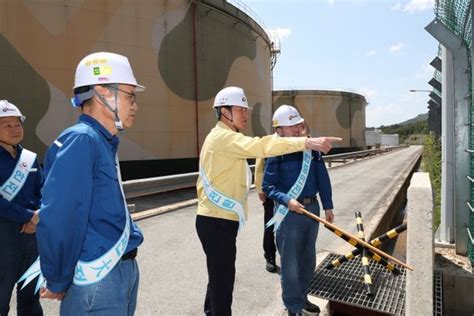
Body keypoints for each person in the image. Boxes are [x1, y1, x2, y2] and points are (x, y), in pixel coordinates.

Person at [195, 87, 341, 315]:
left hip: (217, 219)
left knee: (218, 277)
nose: (245, 115)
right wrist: (306, 143)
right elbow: (260, 147)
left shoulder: (222, 138)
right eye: (240, 110)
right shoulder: (223, 138)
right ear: (224, 111)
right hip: (216, 221)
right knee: (223, 282)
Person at [35, 52, 145, 315]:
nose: (135, 105)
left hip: (121, 270)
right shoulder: (81, 140)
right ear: (103, 93)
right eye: (130, 96)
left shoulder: (101, 141)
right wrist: (58, 276)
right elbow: (61, 215)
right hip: (99, 279)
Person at [263, 105, 335, 316]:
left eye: (298, 125)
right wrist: (287, 200)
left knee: (307, 260)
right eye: (291, 126)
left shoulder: (309, 148)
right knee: (290, 263)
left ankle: (302, 298)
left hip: (312, 208)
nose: (297, 129)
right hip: (289, 214)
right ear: (279, 130)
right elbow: (268, 186)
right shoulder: (276, 152)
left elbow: (322, 177)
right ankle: (293, 307)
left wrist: (328, 204)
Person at [0, 100, 43, 316]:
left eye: (17, 124)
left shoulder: (30, 158)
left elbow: (45, 193)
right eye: (6, 125)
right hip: (3, 238)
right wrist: (29, 216)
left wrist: (37, 218)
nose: (14, 129)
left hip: (32, 239)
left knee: (30, 298)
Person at [255, 157, 277, 273]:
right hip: (271, 193)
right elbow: (259, 168)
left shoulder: (294, 141)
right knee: (270, 226)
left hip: (290, 193)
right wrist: (260, 189)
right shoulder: (269, 142)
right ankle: (270, 256)